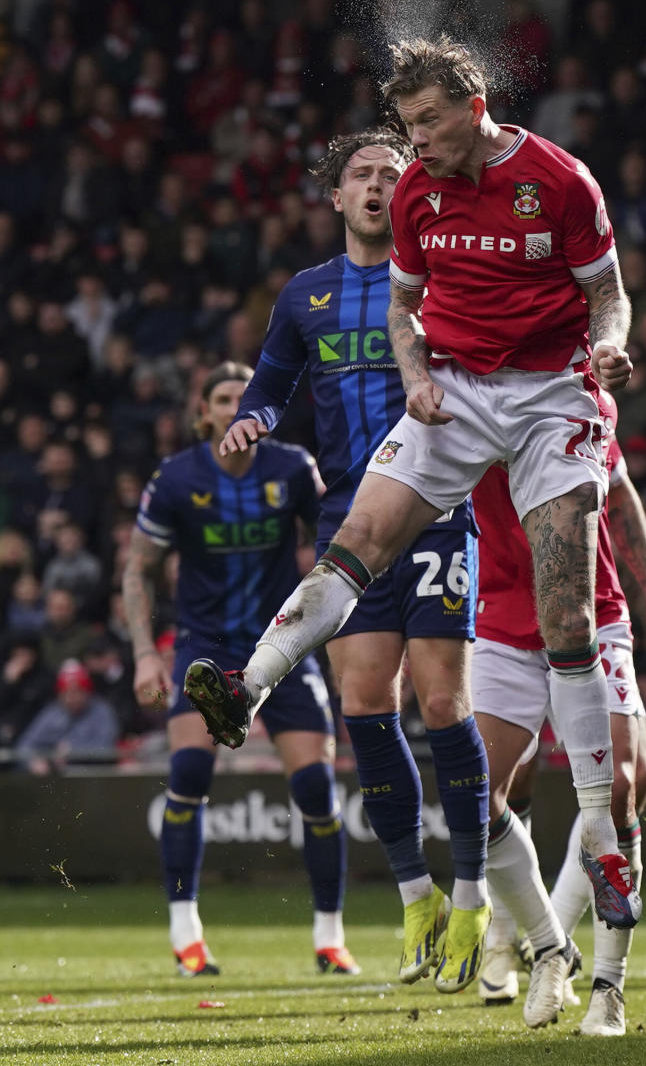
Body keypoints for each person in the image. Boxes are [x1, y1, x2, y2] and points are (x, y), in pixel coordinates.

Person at [184, 36, 643, 972]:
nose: (417, 141)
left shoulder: (559, 181)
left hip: (553, 393)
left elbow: (610, 298)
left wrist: (608, 350)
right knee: (353, 540)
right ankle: (248, 686)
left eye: (429, 122)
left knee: (568, 618)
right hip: (458, 393)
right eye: (406, 126)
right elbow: (405, 306)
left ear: (474, 105)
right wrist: (415, 372)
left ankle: (602, 836)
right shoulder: (413, 200)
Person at [187, 129, 486, 995]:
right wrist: (250, 419)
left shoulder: (438, 282)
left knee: (440, 699)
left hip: (432, 511)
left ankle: (471, 894)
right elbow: (271, 384)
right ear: (335, 195)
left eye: (394, 175)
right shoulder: (305, 295)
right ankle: (415, 893)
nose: (377, 185)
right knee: (363, 701)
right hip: (349, 521)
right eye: (362, 174)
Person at [122, 361, 354, 979]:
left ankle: (330, 938)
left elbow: (338, 547)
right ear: (204, 414)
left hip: (281, 645)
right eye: (223, 398)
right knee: (189, 774)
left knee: (316, 791)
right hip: (205, 649)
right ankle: (186, 934)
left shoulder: (292, 468)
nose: (233, 406)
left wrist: (343, 640)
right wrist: (146, 651)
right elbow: (137, 569)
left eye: (243, 396)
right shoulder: (174, 478)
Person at [470, 389, 646, 1033]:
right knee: (474, 796)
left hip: (594, 616)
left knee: (626, 784)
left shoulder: (583, 397)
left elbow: (618, 496)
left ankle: (608, 987)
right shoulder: (452, 397)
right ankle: (548, 944)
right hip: (502, 622)